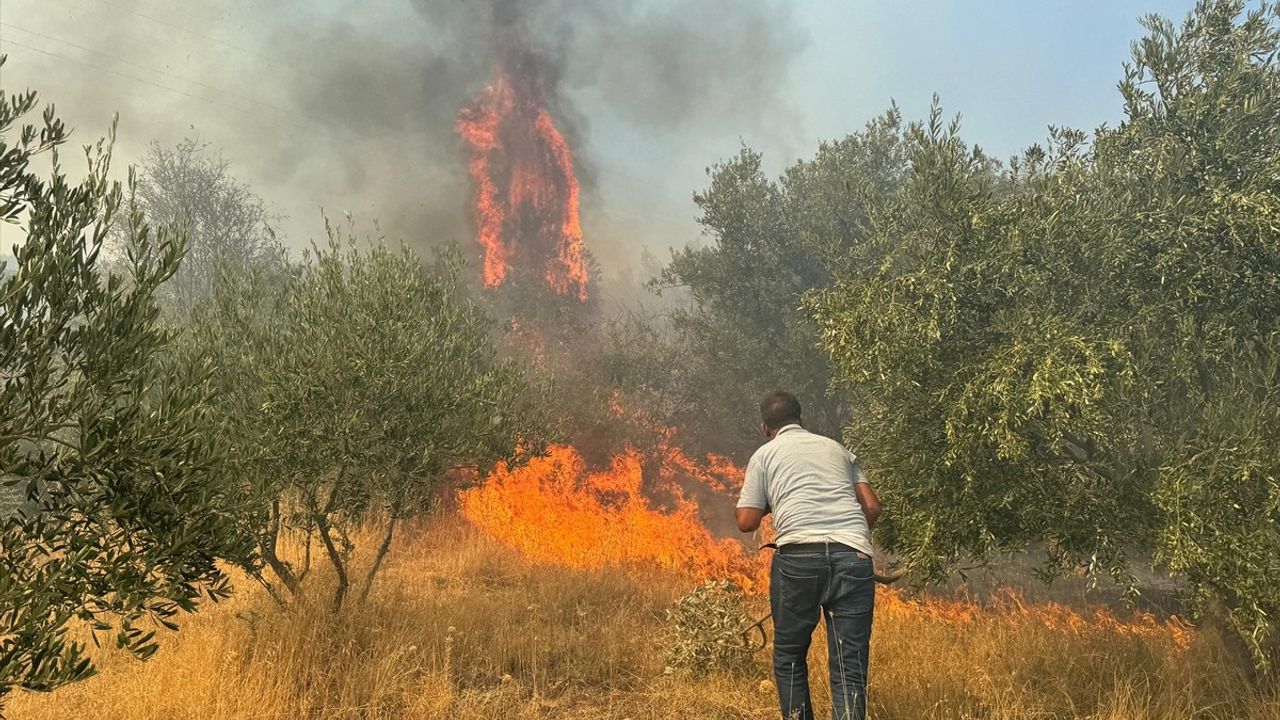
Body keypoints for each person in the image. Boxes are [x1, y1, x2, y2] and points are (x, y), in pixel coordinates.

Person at [736, 391, 882, 720]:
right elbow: (872, 507)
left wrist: (774, 500)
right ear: (802, 420)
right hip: (853, 557)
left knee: (789, 656)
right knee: (850, 667)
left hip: (799, 559)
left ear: (765, 427)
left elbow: (746, 521)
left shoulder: (765, 455)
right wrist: (851, 541)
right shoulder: (837, 449)